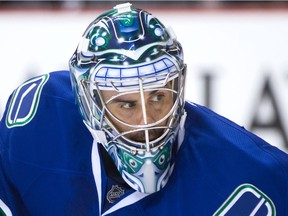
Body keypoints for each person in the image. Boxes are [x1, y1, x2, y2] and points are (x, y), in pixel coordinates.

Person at [0, 2, 287, 215]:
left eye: (158, 97)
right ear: (88, 103)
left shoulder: (252, 181)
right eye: (126, 104)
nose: (146, 122)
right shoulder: (36, 120)